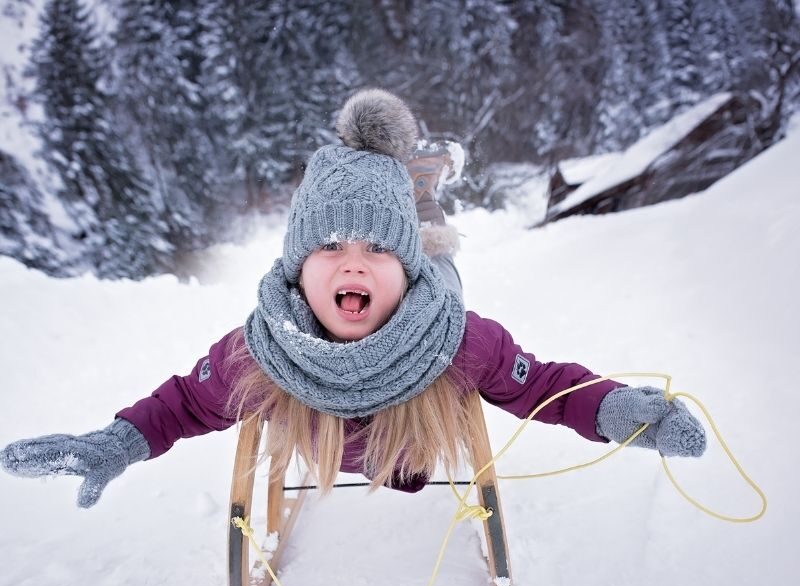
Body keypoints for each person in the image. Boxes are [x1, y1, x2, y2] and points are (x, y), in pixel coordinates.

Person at [0, 89, 706, 508]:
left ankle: (418, 196)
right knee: (402, 227)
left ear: (402, 271)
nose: (353, 266)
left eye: (375, 252)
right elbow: (186, 403)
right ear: (297, 268)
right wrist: (117, 442)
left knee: (432, 239)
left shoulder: (456, 340)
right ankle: (409, 189)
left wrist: (621, 412)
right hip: (380, 329)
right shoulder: (263, 349)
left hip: (425, 305)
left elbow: (546, 388)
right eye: (330, 249)